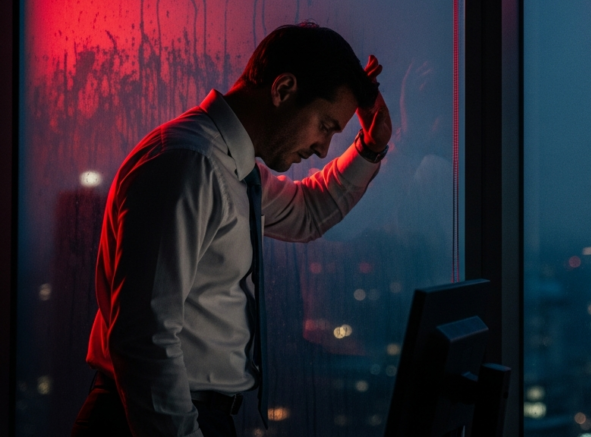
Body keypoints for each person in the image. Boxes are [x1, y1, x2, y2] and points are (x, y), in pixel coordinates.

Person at [70, 22, 393, 437]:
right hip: (151, 419)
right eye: (325, 126)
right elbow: (144, 339)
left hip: (183, 414)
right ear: (283, 90)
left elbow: (308, 212)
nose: (322, 148)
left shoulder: (229, 168)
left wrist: (370, 146)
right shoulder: (190, 164)